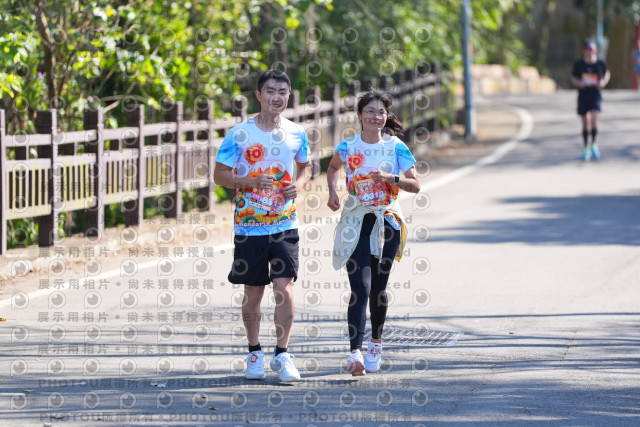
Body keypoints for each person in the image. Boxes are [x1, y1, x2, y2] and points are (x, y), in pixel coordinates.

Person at [214, 69, 311, 382]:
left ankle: (282, 355)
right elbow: (219, 175)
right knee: (253, 291)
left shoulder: (296, 132)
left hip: (285, 222)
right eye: (270, 91)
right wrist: (250, 181)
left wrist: (299, 184)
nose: (276, 97)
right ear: (258, 95)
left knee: (284, 288)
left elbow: (306, 166)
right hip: (250, 225)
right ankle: (254, 353)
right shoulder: (239, 134)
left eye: (282, 92)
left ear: (288, 96)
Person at [326, 90, 421, 376]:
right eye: (370, 111)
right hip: (357, 221)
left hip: (387, 222)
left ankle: (376, 344)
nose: (375, 116)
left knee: (378, 289)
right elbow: (332, 168)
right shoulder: (348, 146)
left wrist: (391, 178)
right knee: (360, 288)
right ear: (360, 115)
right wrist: (333, 191)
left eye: (381, 112)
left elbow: (415, 185)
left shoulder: (396, 147)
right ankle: (354, 352)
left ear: (386, 116)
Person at [570, 39, 610, 161]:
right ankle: (586, 147)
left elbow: (607, 73)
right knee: (585, 121)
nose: (589, 52)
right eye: (587, 49)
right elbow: (573, 77)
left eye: (591, 49)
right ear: (584, 50)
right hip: (583, 95)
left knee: (594, 119)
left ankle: (594, 143)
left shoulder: (600, 63)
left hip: (595, 95)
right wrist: (578, 83)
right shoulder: (579, 64)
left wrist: (603, 82)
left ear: (595, 50)